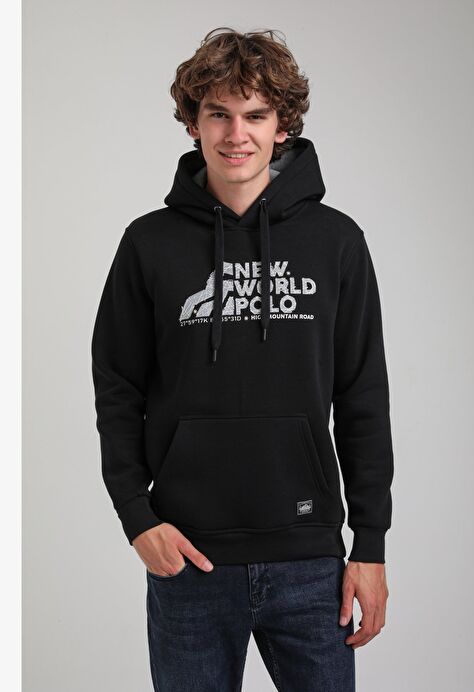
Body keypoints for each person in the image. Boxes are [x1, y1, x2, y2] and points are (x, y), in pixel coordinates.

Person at [91, 26, 394, 692]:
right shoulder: (148, 244)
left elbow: (363, 397)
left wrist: (369, 544)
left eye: (255, 115)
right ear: (192, 124)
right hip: (188, 558)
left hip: (310, 561)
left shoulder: (336, 242)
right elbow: (116, 389)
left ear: (282, 126)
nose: (236, 134)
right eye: (218, 114)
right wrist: (137, 519)